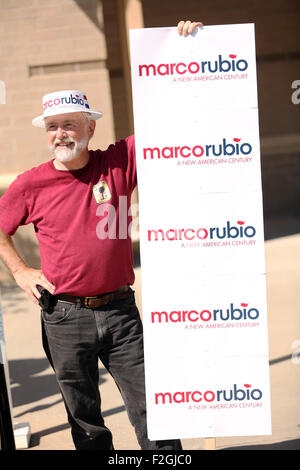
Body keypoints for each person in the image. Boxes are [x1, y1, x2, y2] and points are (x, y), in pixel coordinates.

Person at [0, 21, 202, 450]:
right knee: (86, 422)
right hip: (64, 315)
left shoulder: (120, 162)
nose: (61, 134)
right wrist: (20, 272)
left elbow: (165, 114)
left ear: (90, 128)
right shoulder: (30, 184)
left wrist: (184, 51)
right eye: (53, 126)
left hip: (121, 312)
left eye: (70, 125)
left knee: (154, 413)